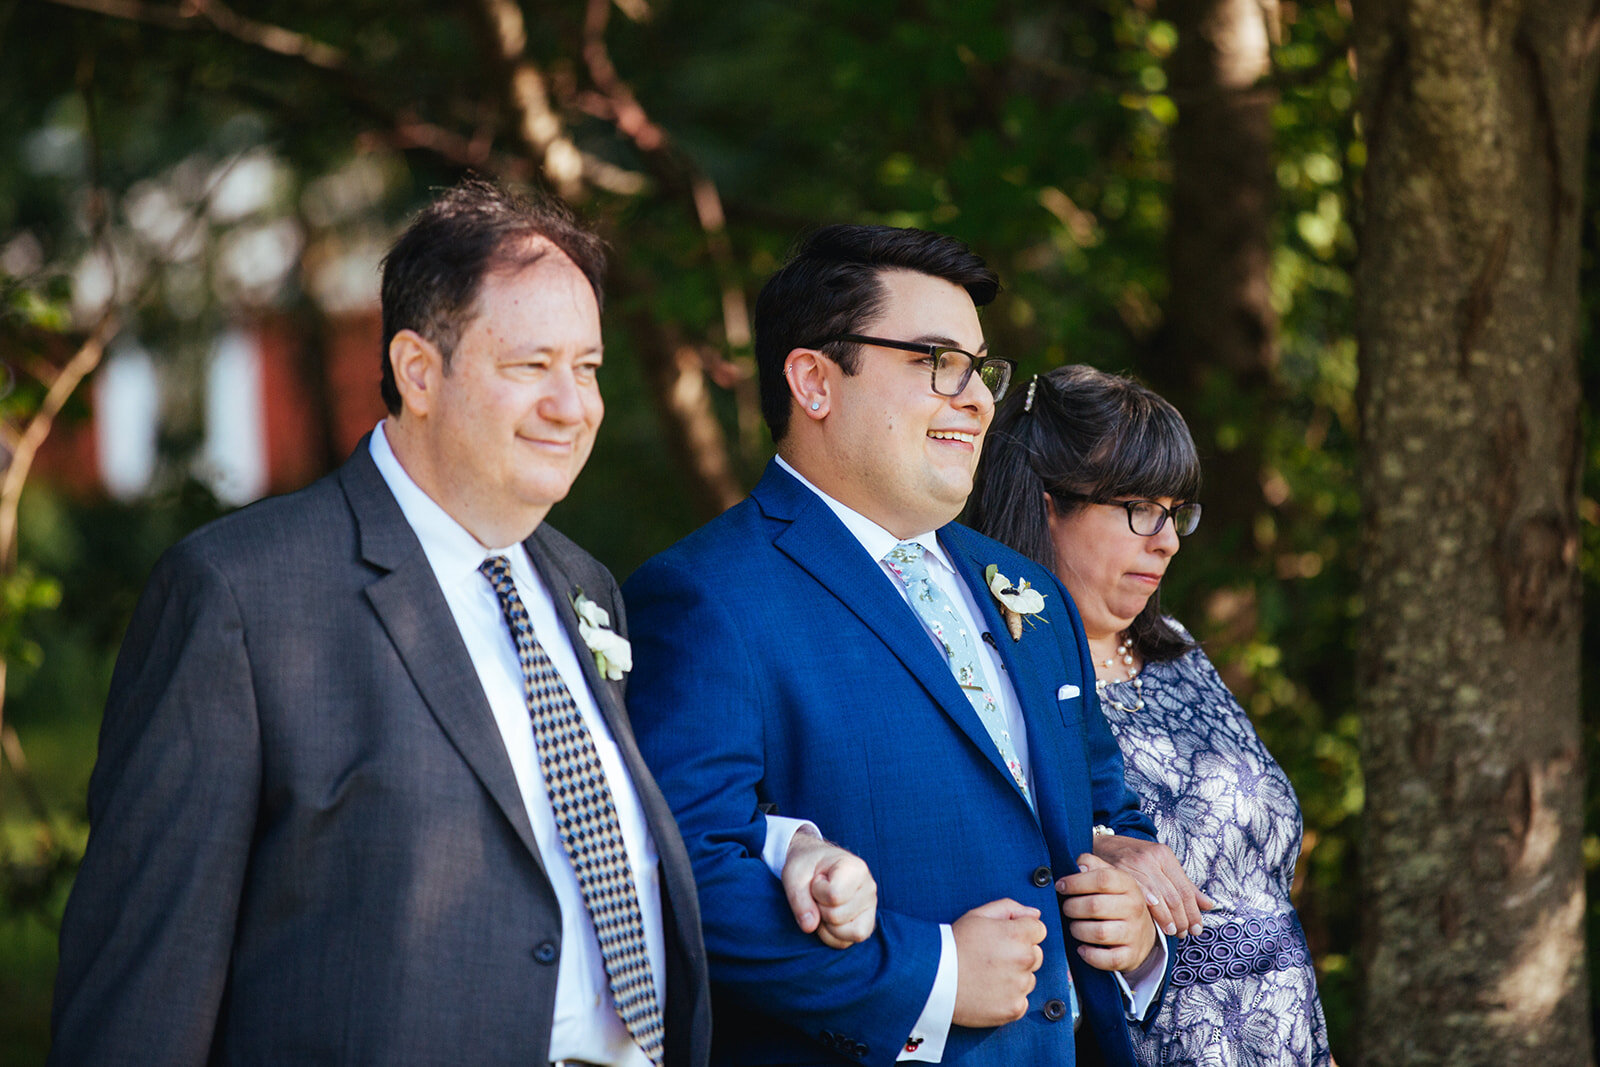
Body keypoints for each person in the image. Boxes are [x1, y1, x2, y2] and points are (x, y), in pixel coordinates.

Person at [49, 179, 866, 1066]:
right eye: (531, 365)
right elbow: (146, 983)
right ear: (416, 370)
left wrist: (790, 850)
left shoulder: (584, 584)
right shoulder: (242, 595)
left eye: (586, 367)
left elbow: (610, 833)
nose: (572, 403)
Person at [623, 225, 1172, 1066]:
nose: (979, 399)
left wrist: (1133, 928)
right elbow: (683, 871)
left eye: (981, 369)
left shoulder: (1025, 589)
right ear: (813, 380)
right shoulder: (710, 595)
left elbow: (1107, 816)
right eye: (934, 362)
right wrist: (933, 975)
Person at [966, 365, 1333, 1067]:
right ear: (1047, 504)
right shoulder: (996, 673)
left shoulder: (1180, 651)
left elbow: (1268, 912)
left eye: (1175, 511)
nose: (1166, 538)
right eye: (1139, 507)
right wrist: (1096, 840)